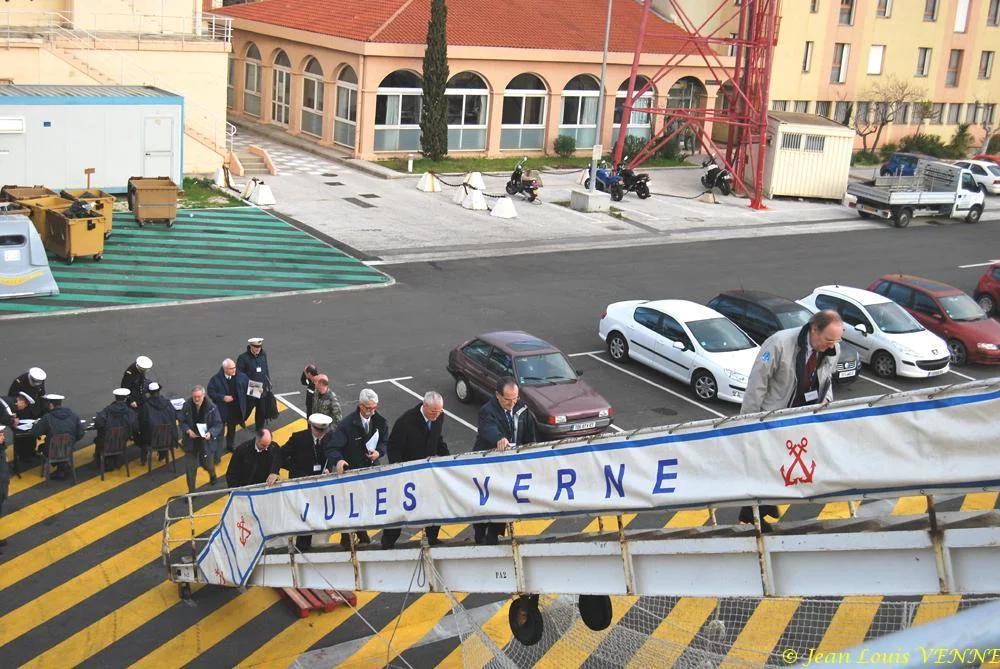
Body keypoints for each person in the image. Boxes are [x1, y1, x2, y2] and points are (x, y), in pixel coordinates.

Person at [739, 309, 844, 532]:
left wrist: (827, 402)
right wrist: (748, 422)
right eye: (828, 340)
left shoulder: (832, 349)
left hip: (801, 419)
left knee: (783, 465)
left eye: (836, 340)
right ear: (814, 330)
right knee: (766, 464)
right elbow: (757, 385)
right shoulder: (779, 344)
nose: (832, 345)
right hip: (773, 418)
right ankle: (753, 511)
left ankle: (762, 506)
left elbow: (827, 379)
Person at [381, 391, 449, 549]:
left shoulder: (439, 417)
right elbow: (393, 447)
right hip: (408, 474)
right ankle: (388, 541)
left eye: (439, 411)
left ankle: (432, 537)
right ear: (424, 406)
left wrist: (447, 457)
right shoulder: (405, 422)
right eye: (433, 412)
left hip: (428, 473)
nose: (436, 415)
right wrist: (400, 470)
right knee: (400, 508)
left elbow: (437, 438)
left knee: (434, 504)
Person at [473, 377, 536, 546]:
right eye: (508, 399)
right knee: (484, 501)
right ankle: (480, 534)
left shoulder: (522, 409)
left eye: (515, 398)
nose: (512, 403)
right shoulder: (487, 410)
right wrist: (499, 439)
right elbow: (487, 428)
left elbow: (529, 434)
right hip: (488, 467)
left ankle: (495, 534)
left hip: (509, 467)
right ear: (497, 395)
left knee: (503, 500)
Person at [326, 389, 388, 550]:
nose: (371, 411)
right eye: (368, 408)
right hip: (352, 473)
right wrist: (338, 460)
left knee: (366, 504)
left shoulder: (380, 422)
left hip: (370, 471)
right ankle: (346, 538)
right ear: (360, 405)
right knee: (350, 506)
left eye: (374, 408)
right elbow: (333, 448)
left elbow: (384, 441)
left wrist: (379, 452)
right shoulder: (346, 425)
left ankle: (362, 533)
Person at [280, 413, 335, 551]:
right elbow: (280, 454)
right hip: (302, 484)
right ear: (311, 427)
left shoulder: (329, 438)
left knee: (315, 512)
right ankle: (302, 545)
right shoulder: (299, 438)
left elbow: (332, 454)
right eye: (318, 431)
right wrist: (282, 470)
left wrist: (328, 469)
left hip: (319, 484)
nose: (321, 434)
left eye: (323, 431)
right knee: (303, 514)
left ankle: (308, 541)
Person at [179, 385, 223, 493]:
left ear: (204, 395)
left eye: (199, 396)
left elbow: (218, 424)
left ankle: (212, 474)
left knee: (208, 465)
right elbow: (182, 421)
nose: (196, 399)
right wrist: (188, 431)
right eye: (195, 397)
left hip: (205, 442)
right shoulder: (187, 405)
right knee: (190, 469)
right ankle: (192, 492)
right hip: (191, 442)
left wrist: (210, 433)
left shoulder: (212, 408)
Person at [30, 394, 85, 479]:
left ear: (51, 405)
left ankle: (61, 468)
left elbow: (34, 433)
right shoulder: (74, 415)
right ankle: (63, 466)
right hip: (68, 449)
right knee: (60, 447)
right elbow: (81, 433)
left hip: (52, 451)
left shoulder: (47, 417)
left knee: (42, 447)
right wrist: (71, 441)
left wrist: (35, 424)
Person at [207, 358, 250, 460]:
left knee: (232, 430)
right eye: (231, 368)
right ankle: (217, 455)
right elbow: (211, 392)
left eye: (234, 367)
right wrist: (222, 398)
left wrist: (260, 391)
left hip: (234, 410)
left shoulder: (241, 376)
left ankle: (230, 446)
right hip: (221, 411)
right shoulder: (215, 380)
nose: (234, 370)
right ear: (225, 369)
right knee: (219, 433)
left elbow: (249, 386)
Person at [8, 366, 46, 465]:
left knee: (33, 430)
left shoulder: (40, 380)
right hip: (22, 410)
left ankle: (31, 451)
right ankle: (22, 454)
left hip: (34, 409)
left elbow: (41, 395)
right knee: (22, 434)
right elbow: (12, 399)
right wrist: (14, 415)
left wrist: (42, 411)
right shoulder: (19, 382)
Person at [93, 388, 139, 467]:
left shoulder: (107, 410)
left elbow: (98, 423)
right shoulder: (130, 412)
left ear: (115, 397)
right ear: (125, 398)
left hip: (106, 442)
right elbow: (135, 427)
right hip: (122, 441)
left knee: (98, 439)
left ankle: (100, 461)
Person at [138, 382, 179, 465]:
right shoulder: (167, 403)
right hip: (168, 438)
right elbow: (174, 416)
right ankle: (163, 454)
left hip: (152, 439)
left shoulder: (146, 406)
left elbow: (142, 422)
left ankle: (143, 459)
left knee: (142, 435)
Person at [237, 337, 272, 431]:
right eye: (255, 346)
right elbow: (239, 375)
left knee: (261, 409)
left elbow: (265, 369)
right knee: (248, 406)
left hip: (262, 386)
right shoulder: (243, 358)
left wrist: (268, 382)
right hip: (250, 386)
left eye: (259, 346)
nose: (258, 348)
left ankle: (259, 428)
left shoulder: (263, 355)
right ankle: (241, 418)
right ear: (250, 346)